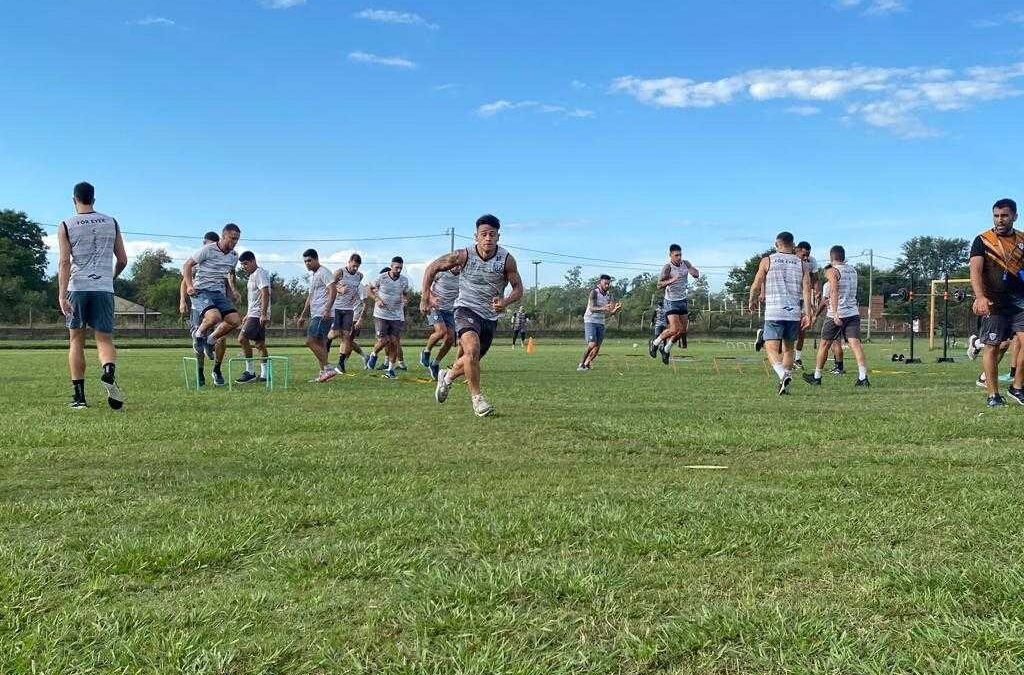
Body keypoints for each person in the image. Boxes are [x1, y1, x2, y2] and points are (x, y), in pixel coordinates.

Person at [421, 214, 524, 416]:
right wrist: (426, 296)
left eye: (492, 235)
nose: (488, 239)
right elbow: (431, 268)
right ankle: (478, 400)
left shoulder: (507, 260)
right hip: (465, 309)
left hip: (490, 316)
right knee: (471, 350)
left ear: (498, 237)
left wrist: (505, 302)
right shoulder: (463, 255)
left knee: (471, 359)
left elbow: (518, 288)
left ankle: (447, 376)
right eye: (483, 234)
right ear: (475, 236)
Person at [57, 181, 128, 410]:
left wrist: (61, 295)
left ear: (74, 199)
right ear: (94, 199)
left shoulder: (66, 225)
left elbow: (65, 261)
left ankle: (79, 398)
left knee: (76, 340)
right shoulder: (112, 222)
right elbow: (123, 260)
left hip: (77, 288)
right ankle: (108, 369)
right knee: (104, 340)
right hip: (104, 288)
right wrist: (112, 277)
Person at [968, 198, 1024, 407]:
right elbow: (975, 271)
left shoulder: (1021, 240)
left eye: (1004, 216)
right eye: (996, 216)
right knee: (992, 346)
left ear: (1014, 217)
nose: (1000, 220)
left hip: (1020, 301)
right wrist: (980, 297)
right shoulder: (983, 240)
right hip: (994, 302)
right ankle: (993, 395)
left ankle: (1017, 388)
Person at [748, 231, 812, 395]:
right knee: (789, 349)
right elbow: (806, 289)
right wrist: (808, 313)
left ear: (777, 244)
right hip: (793, 312)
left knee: (770, 347)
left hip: (775, 311)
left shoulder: (767, 260)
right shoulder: (802, 263)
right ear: (793, 245)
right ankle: (785, 383)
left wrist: (752, 300)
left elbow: (756, 284)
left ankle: (782, 374)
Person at [183, 224, 243, 386]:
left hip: (218, 294)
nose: (234, 242)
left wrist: (233, 292)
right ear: (223, 236)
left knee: (235, 320)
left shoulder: (233, 256)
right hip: (201, 291)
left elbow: (229, 274)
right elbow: (186, 266)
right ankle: (199, 337)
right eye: (232, 238)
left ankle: (210, 340)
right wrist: (189, 287)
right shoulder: (207, 250)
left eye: (237, 239)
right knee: (214, 317)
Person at [802, 246, 870, 387]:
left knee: (824, 344)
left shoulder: (832, 271)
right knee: (856, 345)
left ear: (831, 257)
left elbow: (834, 290)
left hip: (836, 314)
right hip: (852, 312)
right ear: (843, 257)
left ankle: (817, 376)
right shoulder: (853, 270)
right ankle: (863, 377)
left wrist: (836, 313)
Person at [178, 231, 221, 387]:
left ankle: (217, 369)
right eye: (205, 243)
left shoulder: (222, 259)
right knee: (199, 339)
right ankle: (200, 372)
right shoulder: (197, 260)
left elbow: (229, 280)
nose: (206, 246)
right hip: (198, 304)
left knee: (219, 336)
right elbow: (184, 281)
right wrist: (183, 301)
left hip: (216, 302)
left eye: (209, 244)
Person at [649, 244, 700, 364]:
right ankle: (655, 343)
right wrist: (672, 280)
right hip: (671, 301)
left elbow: (696, 274)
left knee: (682, 331)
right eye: (676, 255)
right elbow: (659, 285)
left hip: (682, 300)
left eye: (680, 255)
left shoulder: (685, 263)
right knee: (674, 329)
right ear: (670, 255)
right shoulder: (668, 267)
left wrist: (693, 271)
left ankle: (666, 349)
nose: (679, 257)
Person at [296, 249, 337, 382]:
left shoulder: (324, 272)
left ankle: (328, 368)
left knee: (310, 341)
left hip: (323, 314)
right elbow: (311, 296)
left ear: (316, 259)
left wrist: (327, 309)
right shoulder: (313, 276)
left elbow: (333, 290)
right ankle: (324, 374)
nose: (307, 263)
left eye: (309, 260)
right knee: (321, 343)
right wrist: (303, 315)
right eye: (305, 261)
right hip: (316, 313)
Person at [367, 257, 411, 379]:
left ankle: (391, 370)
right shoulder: (382, 277)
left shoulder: (404, 280)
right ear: (391, 266)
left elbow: (406, 294)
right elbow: (369, 289)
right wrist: (376, 299)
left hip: (396, 315)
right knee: (383, 340)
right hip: (381, 314)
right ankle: (374, 354)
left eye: (400, 268)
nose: (398, 270)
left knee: (394, 342)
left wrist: (405, 299)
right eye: (396, 267)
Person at [235, 251, 272, 384]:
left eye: (245, 264)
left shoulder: (260, 273)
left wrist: (263, 313)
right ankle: (265, 375)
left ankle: (250, 372)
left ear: (253, 261)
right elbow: (254, 299)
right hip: (253, 313)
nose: (244, 267)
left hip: (258, 314)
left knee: (242, 338)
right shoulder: (251, 276)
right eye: (242, 265)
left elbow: (265, 293)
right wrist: (247, 314)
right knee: (259, 344)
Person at [420, 264, 462, 381]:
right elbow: (426, 287)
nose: (457, 268)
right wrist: (431, 298)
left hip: (450, 310)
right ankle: (426, 351)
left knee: (450, 339)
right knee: (441, 331)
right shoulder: (441, 272)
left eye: (460, 266)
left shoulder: (463, 276)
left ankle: (435, 363)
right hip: (435, 307)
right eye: (455, 265)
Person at [327, 253, 364, 374]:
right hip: (336, 307)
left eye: (357, 267)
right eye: (353, 266)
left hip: (349, 309)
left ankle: (341, 364)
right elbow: (329, 286)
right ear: (348, 262)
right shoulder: (340, 272)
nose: (355, 269)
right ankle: (326, 339)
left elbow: (356, 290)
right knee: (336, 333)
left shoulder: (359, 276)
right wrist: (339, 289)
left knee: (347, 336)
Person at [579, 274, 622, 371]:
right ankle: (581, 364)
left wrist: (615, 310)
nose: (607, 286)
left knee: (597, 347)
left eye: (608, 284)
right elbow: (592, 308)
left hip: (601, 321)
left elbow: (609, 313)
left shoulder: (608, 295)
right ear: (600, 283)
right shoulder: (594, 293)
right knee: (592, 344)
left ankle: (587, 364)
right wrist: (604, 308)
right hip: (590, 320)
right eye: (605, 283)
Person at [794, 241, 821, 368]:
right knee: (787, 327)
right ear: (797, 250)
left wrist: (817, 292)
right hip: (790, 298)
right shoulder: (789, 260)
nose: (806, 258)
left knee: (803, 328)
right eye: (803, 255)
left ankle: (797, 359)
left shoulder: (811, 261)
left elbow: (815, 279)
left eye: (808, 255)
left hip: (804, 297)